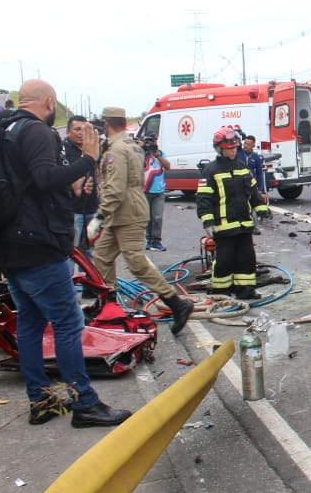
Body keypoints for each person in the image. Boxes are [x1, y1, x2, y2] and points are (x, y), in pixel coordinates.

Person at [0, 79, 132, 427]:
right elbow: (45, 179)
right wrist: (87, 160)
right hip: (38, 246)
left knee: (31, 324)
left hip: (9, 245)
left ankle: (40, 399)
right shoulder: (36, 132)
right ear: (49, 101)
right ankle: (85, 402)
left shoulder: (4, 130)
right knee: (68, 323)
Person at [88, 107, 193, 335]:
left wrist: (99, 216)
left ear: (107, 124)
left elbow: (115, 188)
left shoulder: (116, 149)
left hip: (127, 212)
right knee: (102, 256)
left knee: (136, 261)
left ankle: (177, 303)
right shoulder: (131, 145)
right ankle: (109, 306)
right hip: (122, 213)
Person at [197, 127, 269, 300]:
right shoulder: (210, 171)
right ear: (220, 149)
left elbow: (252, 192)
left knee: (246, 259)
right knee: (224, 261)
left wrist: (261, 209)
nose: (233, 150)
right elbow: (203, 199)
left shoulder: (242, 167)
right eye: (229, 148)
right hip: (223, 227)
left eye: (235, 148)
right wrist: (208, 222)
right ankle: (222, 292)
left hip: (244, 225)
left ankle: (245, 290)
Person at [63, 116, 100, 259]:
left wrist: (98, 186)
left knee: (90, 253)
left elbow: (98, 169)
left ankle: (89, 281)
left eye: (84, 130)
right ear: (67, 131)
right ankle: (70, 282)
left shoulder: (93, 147)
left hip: (92, 208)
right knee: (72, 252)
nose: (81, 133)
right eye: (77, 129)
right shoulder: (63, 150)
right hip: (73, 211)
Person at [141, 134, 171, 251]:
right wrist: (141, 149)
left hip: (158, 191)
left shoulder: (160, 153)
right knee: (147, 218)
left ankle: (157, 240)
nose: (150, 144)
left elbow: (168, 166)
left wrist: (157, 155)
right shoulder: (142, 154)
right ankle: (149, 240)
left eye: (152, 141)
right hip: (145, 190)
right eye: (148, 141)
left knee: (157, 217)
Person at [241, 135, 269, 235]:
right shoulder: (239, 154)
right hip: (241, 185)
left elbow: (260, 174)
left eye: (248, 144)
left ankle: (254, 226)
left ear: (253, 145)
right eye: (245, 143)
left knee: (252, 206)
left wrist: (260, 189)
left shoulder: (255, 157)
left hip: (252, 185)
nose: (245, 146)